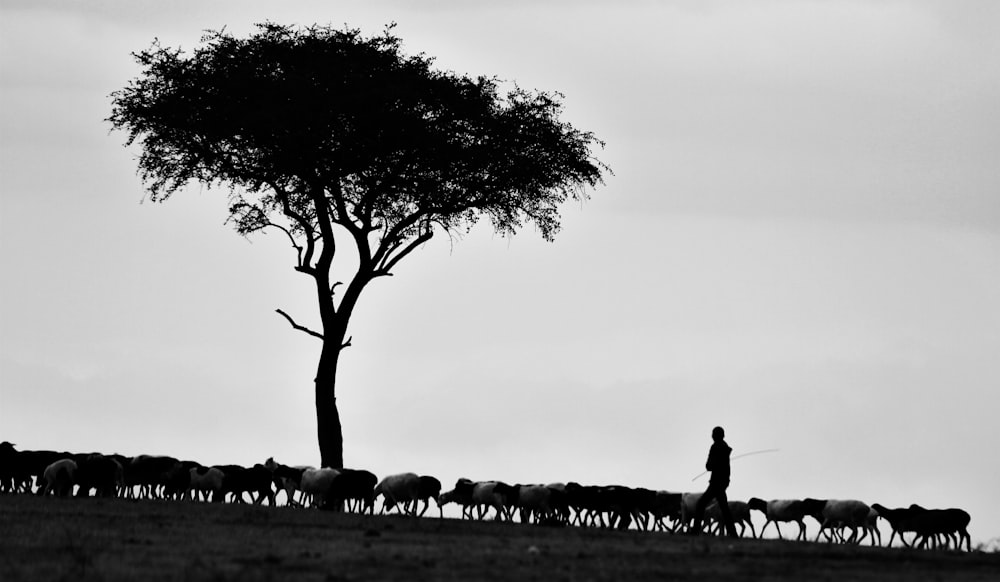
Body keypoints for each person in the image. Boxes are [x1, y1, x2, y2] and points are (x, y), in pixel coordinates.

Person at [690, 426, 739, 537]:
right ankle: (733, 533)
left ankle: (695, 531)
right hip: (723, 483)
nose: (712, 436)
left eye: (713, 434)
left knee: (701, 504)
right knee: (724, 508)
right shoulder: (725, 448)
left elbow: (709, 466)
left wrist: (712, 466)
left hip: (715, 483)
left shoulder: (715, 447)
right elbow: (725, 470)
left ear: (715, 436)